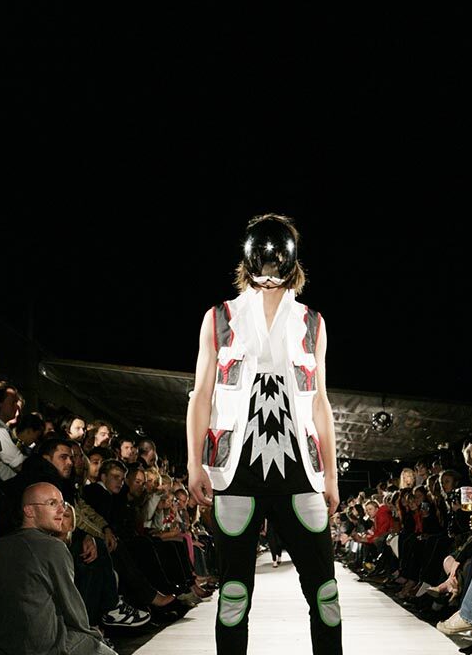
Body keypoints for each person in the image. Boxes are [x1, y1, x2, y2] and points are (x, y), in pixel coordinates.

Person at [186, 213, 342, 654]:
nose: (270, 272)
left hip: (300, 470)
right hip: (235, 471)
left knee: (325, 594)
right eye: (263, 261)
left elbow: (320, 401)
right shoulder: (220, 317)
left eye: (277, 261)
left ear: (290, 261)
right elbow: (200, 394)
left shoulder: (312, 322)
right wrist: (193, 463)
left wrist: (331, 475)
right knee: (233, 595)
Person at [0, 481, 117, 655]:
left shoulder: (0, 546)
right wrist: (94, 637)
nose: (62, 510)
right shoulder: (52, 547)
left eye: (62, 503)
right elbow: (73, 609)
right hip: (44, 647)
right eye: (52, 503)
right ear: (29, 511)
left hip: (4, 646)